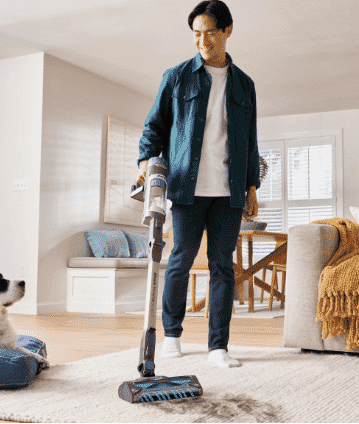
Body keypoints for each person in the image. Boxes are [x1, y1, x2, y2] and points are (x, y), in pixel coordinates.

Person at [136, 0, 259, 368]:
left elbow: (249, 139)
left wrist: (252, 187)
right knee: (181, 259)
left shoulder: (244, 85)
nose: (202, 40)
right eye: (196, 34)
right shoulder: (176, 77)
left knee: (222, 265)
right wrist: (146, 160)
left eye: (209, 32)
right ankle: (171, 335)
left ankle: (218, 347)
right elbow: (154, 126)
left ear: (227, 31)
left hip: (229, 190)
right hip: (187, 188)